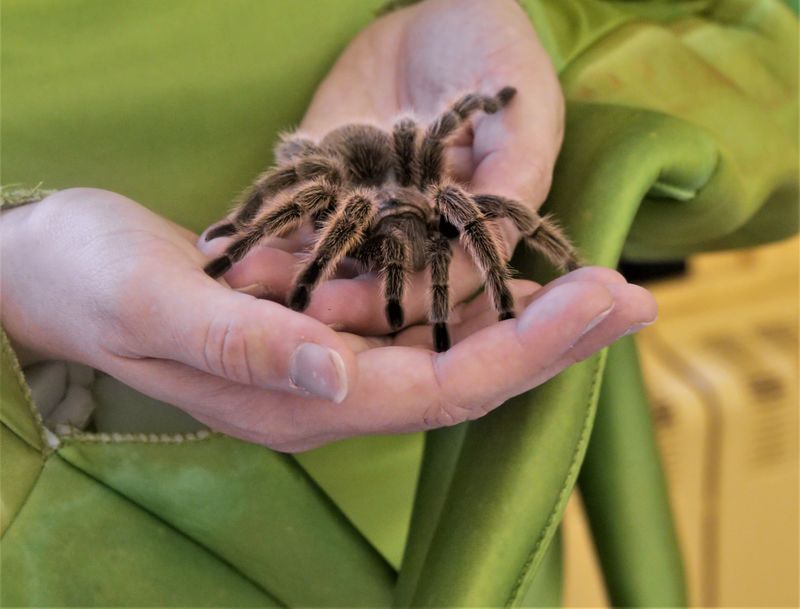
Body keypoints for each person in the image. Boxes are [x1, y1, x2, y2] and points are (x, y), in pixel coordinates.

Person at [0, 0, 656, 452]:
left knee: (485, 207)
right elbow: (317, 193)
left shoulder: (435, 192)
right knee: (332, 201)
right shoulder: (339, 195)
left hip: (395, 475)